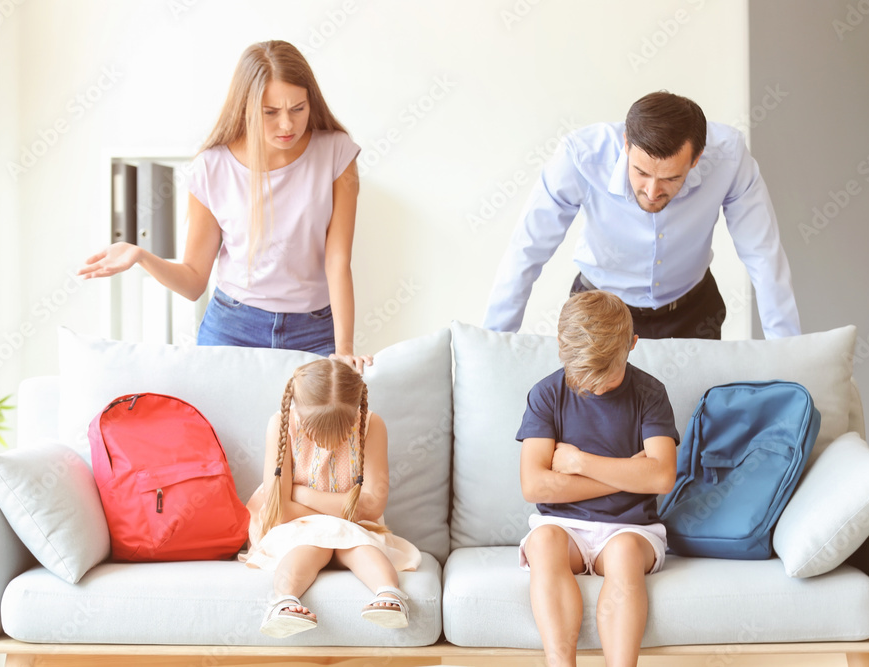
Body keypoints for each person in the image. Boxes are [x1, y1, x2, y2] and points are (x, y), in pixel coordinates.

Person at [79, 41, 372, 371]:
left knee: (317, 423)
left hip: (315, 330)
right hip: (233, 328)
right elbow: (193, 283)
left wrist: (344, 347)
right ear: (246, 108)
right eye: (271, 113)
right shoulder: (211, 167)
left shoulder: (337, 154)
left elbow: (337, 259)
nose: (287, 125)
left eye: (298, 108)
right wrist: (141, 256)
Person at [483, 91, 801, 341]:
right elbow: (526, 251)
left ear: (696, 159)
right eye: (641, 172)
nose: (651, 191)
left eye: (670, 178)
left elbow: (763, 256)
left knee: (691, 421)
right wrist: (494, 344)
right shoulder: (580, 157)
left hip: (691, 313)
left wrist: (789, 357)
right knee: (593, 421)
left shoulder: (729, 157)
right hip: (599, 310)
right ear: (626, 144)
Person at [517, 290, 678, 667]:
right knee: (543, 542)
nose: (595, 387)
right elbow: (534, 486)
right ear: (560, 347)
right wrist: (629, 473)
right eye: (584, 377)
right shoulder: (546, 395)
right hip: (562, 524)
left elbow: (662, 476)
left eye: (608, 375)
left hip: (631, 528)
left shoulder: (650, 394)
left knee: (622, 555)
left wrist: (580, 461)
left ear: (632, 344)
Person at [241, 358, 420, 637]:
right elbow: (281, 511)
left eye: (341, 429)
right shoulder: (282, 425)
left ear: (355, 413)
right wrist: (343, 510)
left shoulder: (372, 425)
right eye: (316, 430)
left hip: (354, 527)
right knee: (311, 546)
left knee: (361, 546)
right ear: (298, 410)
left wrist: (299, 493)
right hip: (295, 528)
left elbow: (372, 506)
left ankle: (390, 593)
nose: (328, 440)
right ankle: (283, 600)